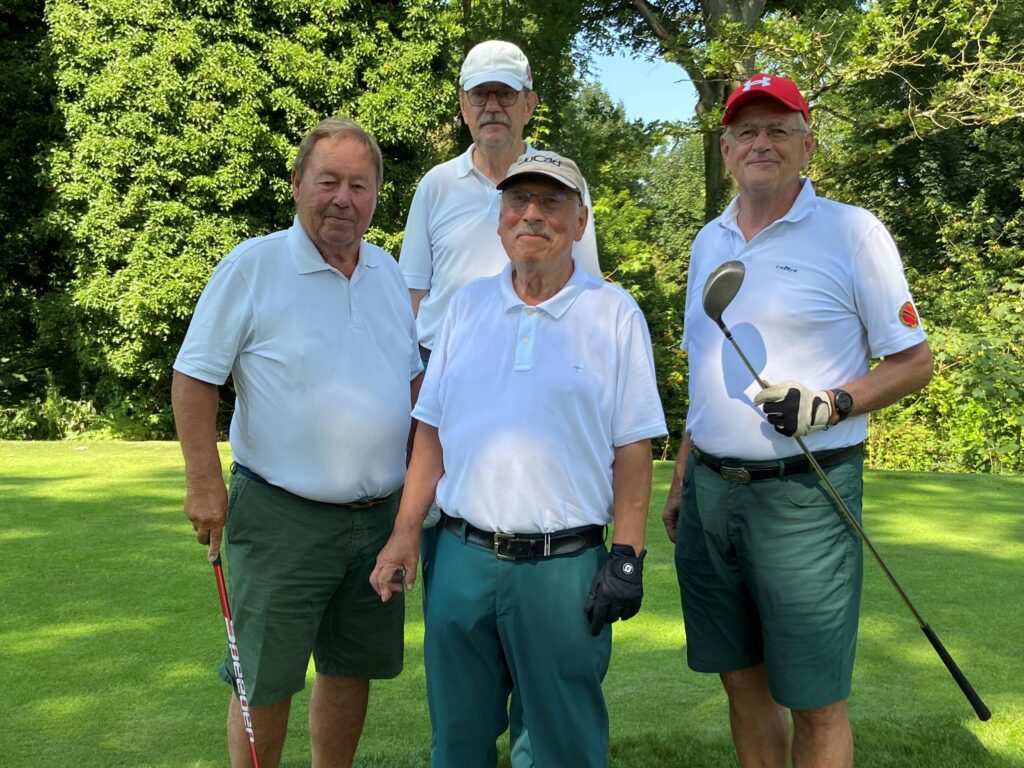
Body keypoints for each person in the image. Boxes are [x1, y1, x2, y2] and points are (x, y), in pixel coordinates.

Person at [662, 74, 933, 768]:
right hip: (712, 493)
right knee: (740, 680)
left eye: (778, 130)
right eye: (746, 131)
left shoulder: (853, 232)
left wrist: (832, 403)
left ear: (807, 146)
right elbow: (706, 372)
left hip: (806, 497)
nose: (762, 143)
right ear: (726, 150)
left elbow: (914, 362)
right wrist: (683, 479)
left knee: (815, 699)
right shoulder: (707, 241)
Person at [371, 151, 667, 767]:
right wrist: (403, 534)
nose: (532, 214)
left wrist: (628, 554)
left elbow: (634, 445)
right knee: (458, 742)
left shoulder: (614, 313)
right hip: (461, 559)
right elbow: (431, 433)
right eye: (517, 200)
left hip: (565, 568)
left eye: (552, 201)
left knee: (562, 747)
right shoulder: (465, 307)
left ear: (580, 222)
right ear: (500, 218)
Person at [171, 119, 423, 768]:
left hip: (378, 520)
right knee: (265, 678)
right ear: (296, 184)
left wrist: (416, 508)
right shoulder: (252, 267)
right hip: (281, 516)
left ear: (376, 196)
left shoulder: (387, 273)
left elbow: (413, 386)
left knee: (351, 669)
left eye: (359, 186)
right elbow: (194, 376)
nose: (343, 199)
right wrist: (203, 480)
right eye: (328, 181)